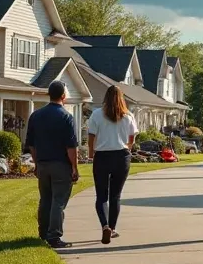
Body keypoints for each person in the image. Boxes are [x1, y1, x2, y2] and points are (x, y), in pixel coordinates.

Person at [25, 81, 80, 248]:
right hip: (61, 165)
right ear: (63, 96)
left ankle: (43, 232)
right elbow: (71, 147)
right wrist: (74, 168)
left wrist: (36, 163)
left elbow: (31, 145)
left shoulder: (36, 116)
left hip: (43, 164)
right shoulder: (66, 117)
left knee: (45, 199)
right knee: (58, 201)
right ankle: (54, 236)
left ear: (49, 94)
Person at [86, 85, 137, 245]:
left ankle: (105, 225)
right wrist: (127, 149)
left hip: (102, 156)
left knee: (101, 196)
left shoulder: (97, 115)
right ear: (121, 98)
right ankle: (112, 228)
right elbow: (132, 139)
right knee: (115, 196)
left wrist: (91, 153)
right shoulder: (128, 116)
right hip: (121, 156)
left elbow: (91, 137)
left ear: (106, 97)